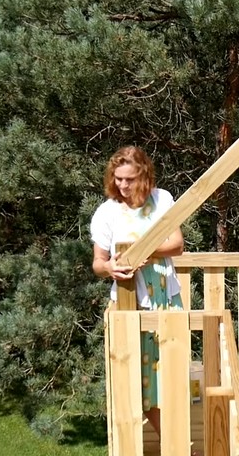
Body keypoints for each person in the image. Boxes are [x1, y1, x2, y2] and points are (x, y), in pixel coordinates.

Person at [90, 145, 185, 438]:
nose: (123, 185)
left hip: (167, 299)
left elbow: (177, 245)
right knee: (142, 381)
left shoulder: (162, 199)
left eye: (129, 179)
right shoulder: (107, 213)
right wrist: (110, 269)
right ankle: (174, 443)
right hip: (130, 305)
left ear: (143, 175)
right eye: (118, 178)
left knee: (172, 375)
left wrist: (145, 251)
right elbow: (98, 262)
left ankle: (179, 440)